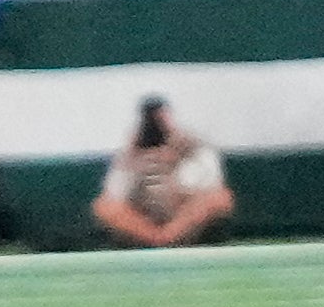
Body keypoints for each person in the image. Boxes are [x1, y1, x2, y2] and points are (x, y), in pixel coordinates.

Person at [88, 97, 231, 246]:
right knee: (104, 207)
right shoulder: (130, 153)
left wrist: (175, 162)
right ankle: (155, 239)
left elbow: (210, 187)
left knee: (219, 198)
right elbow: (115, 195)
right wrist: (134, 163)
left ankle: (169, 237)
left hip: (183, 215)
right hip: (143, 214)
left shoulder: (193, 147)